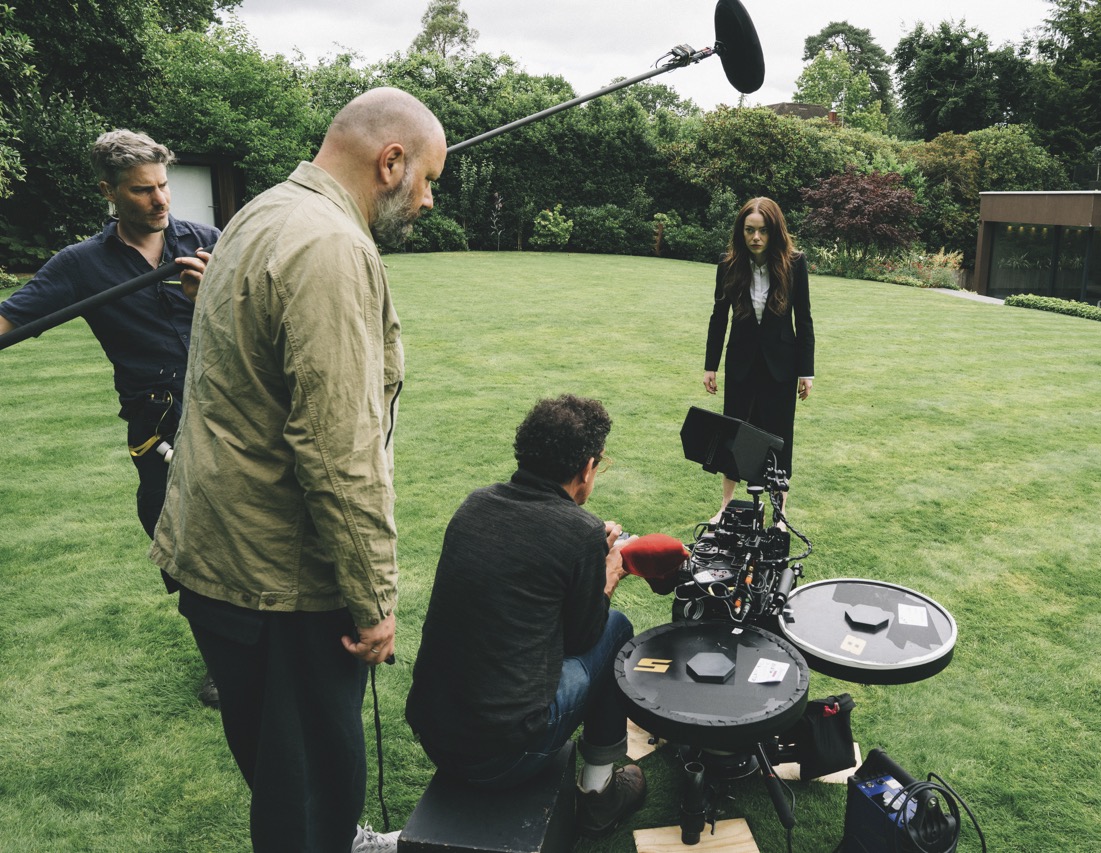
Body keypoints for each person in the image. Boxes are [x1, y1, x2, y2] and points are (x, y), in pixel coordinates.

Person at [149, 87, 446, 853]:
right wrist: (373, 598)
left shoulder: (263, 211)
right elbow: (339, 450)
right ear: (390, 162)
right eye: (427, 180)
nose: (429, 201)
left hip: (221, 559)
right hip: (275, 582)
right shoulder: (331, 248)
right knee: (309, 790)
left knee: (291, 776)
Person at [0, 129, 220, 706]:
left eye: (164, 186)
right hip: (157, 425)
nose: (160, 200)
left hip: (228, 410)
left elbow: (270, 312)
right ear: (110, 192)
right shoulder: (81, 266)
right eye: (142, 190)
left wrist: (215, 296)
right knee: (177, 541)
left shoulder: (208, 242)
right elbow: (10, 321)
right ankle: (221, 658)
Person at [405, 394, 647, 839]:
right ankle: (599, 796)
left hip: (437, 736)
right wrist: (608, 571)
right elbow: (582, 639)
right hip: (504, 755)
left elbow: (530, 573)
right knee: (617, 629)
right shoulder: (579, 532)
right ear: (587, 468)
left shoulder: (474, 505)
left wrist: (589, 551)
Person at [703, 197, 814, 520]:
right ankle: (725, 508)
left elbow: (804, 319)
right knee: (734, 434)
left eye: (763, 231)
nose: (756, 238)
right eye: (750, 230)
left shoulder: (795, 264)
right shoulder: (728, 264)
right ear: (741, 231)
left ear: (774, 231)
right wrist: (710, 366)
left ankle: (780, 517)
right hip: (740, 364)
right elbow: (718, 317)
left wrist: (807, 372)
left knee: (780, 439)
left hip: (782, 367)